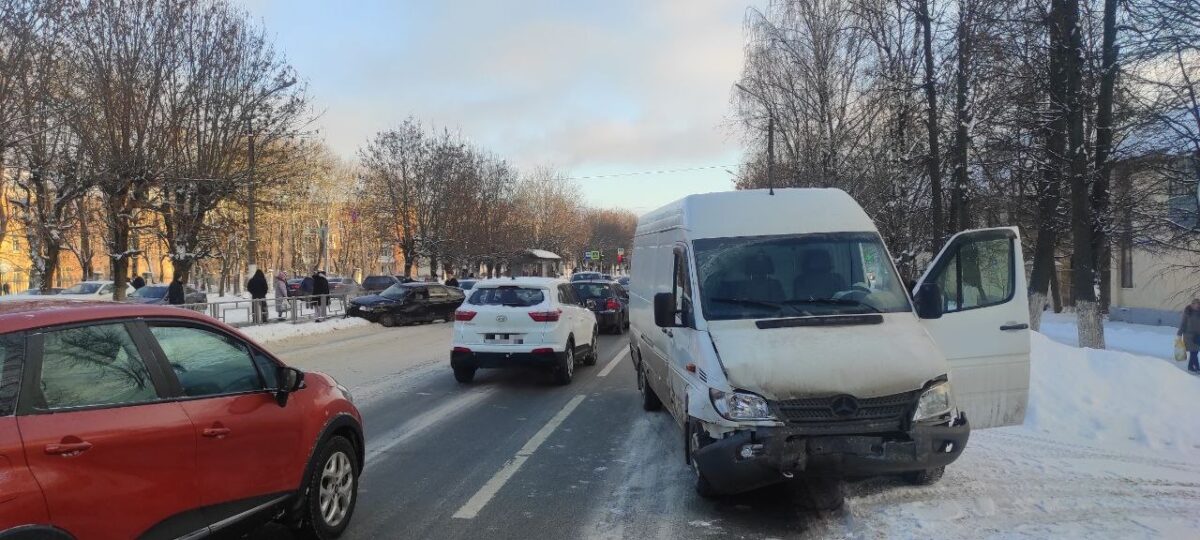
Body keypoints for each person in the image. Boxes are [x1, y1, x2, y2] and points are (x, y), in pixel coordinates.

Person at [1178, 298, 1200, 372]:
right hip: (1189, 335)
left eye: (1198, 304)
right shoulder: (1188, 312)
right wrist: (1179, 333)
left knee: (1195, 351)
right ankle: (1197, 367)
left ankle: (1190, 367)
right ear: (1192, 304)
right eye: (1196, 303)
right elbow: (1183, 323)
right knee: (1193, 352)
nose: (1197, 305)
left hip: (1198, 335)